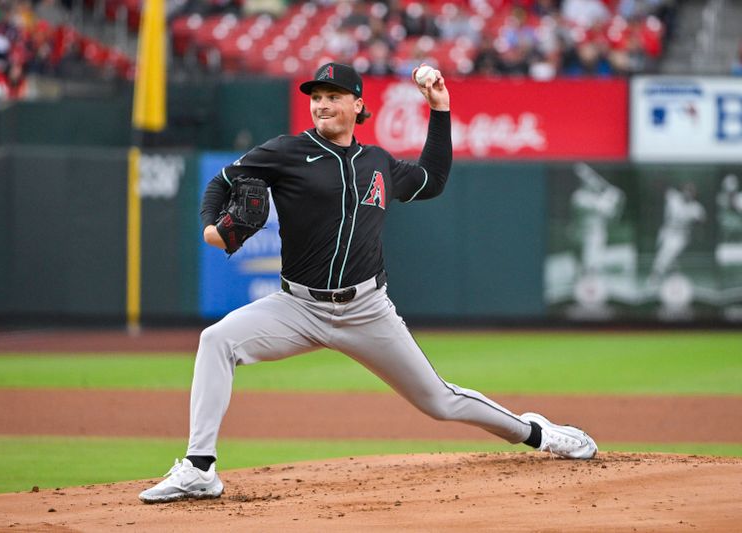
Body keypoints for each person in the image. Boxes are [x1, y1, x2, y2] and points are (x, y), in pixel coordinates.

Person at [138, 62, 598, 504]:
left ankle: (537, 433)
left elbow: (433, 180)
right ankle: (199, 469)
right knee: (217, 340)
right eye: (316, 97)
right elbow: (221, 182)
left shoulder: (377, 162)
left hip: (366, 310)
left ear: (358, 104)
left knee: (440, 401)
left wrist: (440, 109)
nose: (321, 104)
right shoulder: (285, 151)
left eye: (333, 97)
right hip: (297, 308)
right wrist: (210, 229)